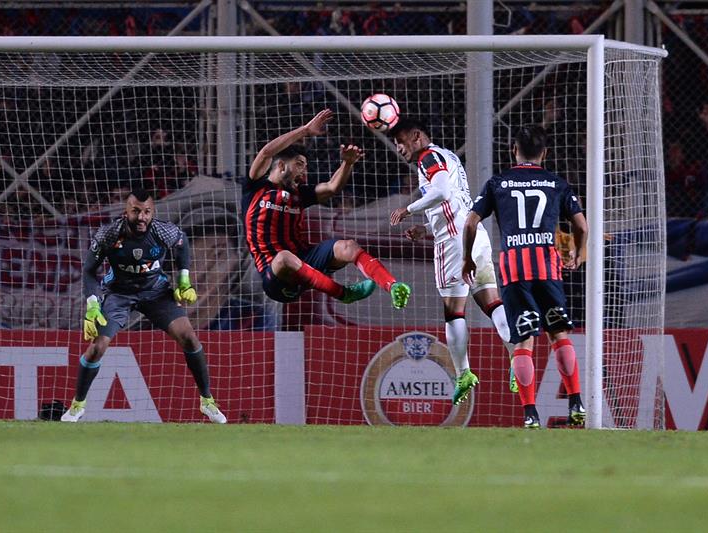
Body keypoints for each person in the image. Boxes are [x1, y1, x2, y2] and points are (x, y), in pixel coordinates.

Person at [61, 189, 226, 423]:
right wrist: (92, 306)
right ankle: (77, 406)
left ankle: (207, 402)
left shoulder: (163, 231)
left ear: (152, 212)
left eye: (147, 212)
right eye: (136, 211)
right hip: (118, 294)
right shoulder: (109, 234)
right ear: (126, 211)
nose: (141, 217)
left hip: (155, 291)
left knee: (189, 336)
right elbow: (89, 270)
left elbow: (182, 244)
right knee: (98, 347)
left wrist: (184, 279)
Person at [462, 124, 588, 429]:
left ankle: (530, 413)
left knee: (523, 342)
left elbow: (470, 223)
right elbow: (582, 227)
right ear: (544, 153)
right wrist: (579, 254)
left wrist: (467, 259)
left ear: (512, 150)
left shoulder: (498, 183)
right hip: (547, 267)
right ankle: (576, 402)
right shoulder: (556, 183)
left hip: (514, 269)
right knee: (559, 334)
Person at [388, 117, 515, 405]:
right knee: (492, 302)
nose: (398, 148)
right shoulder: (449, 156)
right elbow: (453, 202)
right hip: (475, 234)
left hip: (455, 243)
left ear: (417, 136)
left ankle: (463, 373)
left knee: (454, 312)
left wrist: (408, 209)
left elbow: (442, 192)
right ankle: (516, 355)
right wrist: (427, 229)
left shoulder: (427, 157)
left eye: (400, 141)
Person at [243, 108, 411, 309]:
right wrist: (305, 130)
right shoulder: (255, 187)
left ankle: (392, 285)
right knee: (285, 258)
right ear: (280, 166)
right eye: (299, 164)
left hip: (306, 262)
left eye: (305, 167)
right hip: (276, 278)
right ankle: (344, 293)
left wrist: (347, 163)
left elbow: (332, 187)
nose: (304, 172)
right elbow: (266, 152)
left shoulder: (300, 195)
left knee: (348, 246)